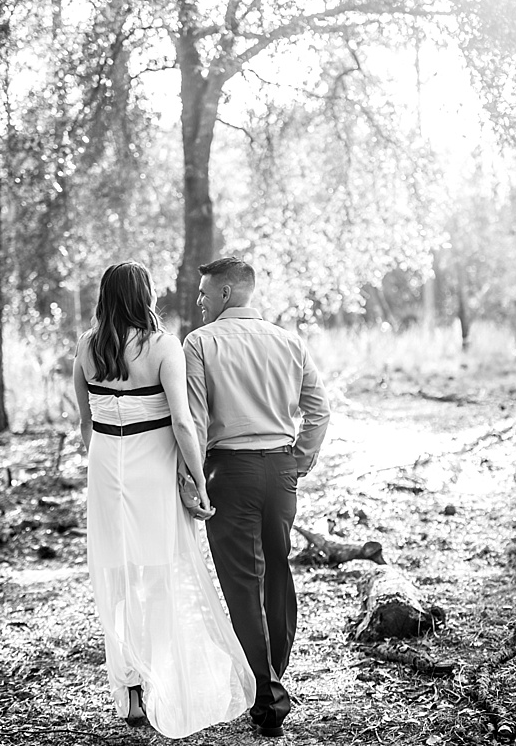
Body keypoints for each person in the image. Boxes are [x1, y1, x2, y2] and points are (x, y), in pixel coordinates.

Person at [73, 261, 254, 738]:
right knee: (156, 575)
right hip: (151, 472)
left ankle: (128, 688)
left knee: (117, 578)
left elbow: (86, 423)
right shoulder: (161, 347)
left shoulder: (87, 349)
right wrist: (199, 478)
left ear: (106, 297)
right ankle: (157, 685)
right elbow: (182, 423)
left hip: (107, 471)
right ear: (145, 296)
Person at [183, 257, 330, 738]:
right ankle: (271, 673)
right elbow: (319, 410)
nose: (199, 301)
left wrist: (195, 479)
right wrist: (301, 459)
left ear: (226, 293)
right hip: (281, 468)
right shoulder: (289, 341)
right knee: (277, 570)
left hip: (230, 471)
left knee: (243, 583)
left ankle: (266, 695)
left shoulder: (200, 343)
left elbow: (197, 420)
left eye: (205, 292)